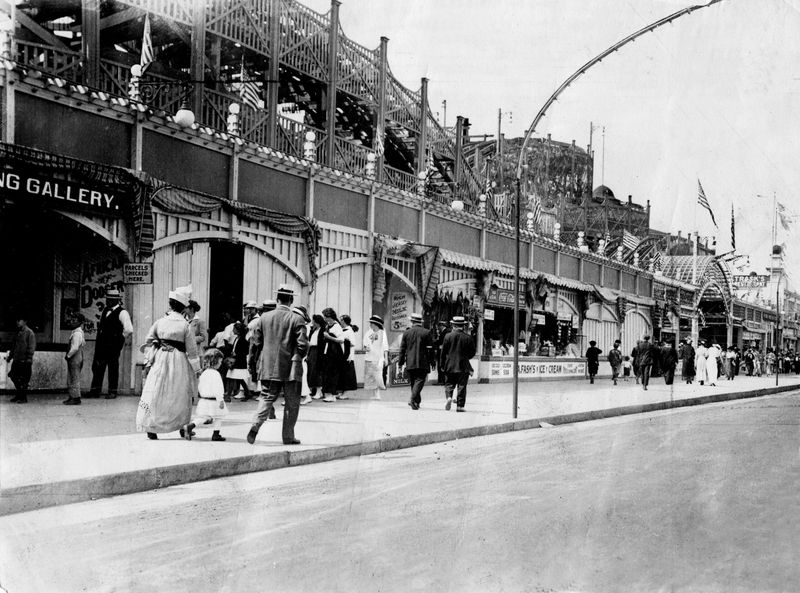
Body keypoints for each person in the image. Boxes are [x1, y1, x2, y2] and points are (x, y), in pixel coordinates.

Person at [247, 285, 308, 446]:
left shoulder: (264, 318)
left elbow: (256, 343)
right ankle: (288, 436)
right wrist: (297, 355)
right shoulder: (297, 319)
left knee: (266, 397)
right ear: (291, 300)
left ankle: (256, 424)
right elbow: (303, 345)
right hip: (291, 369)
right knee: (292, 403)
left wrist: (254, 364)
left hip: (268, 366)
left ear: (277, 299)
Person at [135, 289, 200, 440]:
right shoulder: (185, 325)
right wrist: (197, 369)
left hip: (161, 357)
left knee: (157, 390)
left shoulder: (160, 322)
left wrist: (150, 357)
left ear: (170, 305)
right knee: (178, 392)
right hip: (179, 361)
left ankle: (152, 426)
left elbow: (149, 341)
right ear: (183, 308)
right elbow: (192, 351)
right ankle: (181, 425)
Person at [88, 288, 133, 399]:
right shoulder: (105, 311)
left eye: (111, 299)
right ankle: (95, 391)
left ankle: (112, 391)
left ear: (117, 300)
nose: (108, 302)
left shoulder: (122, 312)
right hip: (102, 345)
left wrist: (119, 339)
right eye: (108, 299)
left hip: (113, 346)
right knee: (98, 367)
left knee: (113, 367)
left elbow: (129, 329)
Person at [183, 348, 228, 442]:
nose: (220, 364)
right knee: (218, 417)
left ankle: (190, 426)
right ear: (214, 361)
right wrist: (221, 399)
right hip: (214, 400)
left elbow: (200, 386)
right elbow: (218, 388)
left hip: (204, 400)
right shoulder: (216, 374)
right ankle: (216, 434)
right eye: (219, 362)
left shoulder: (204, 373)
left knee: (203, 418)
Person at [439, 316, 476, 412]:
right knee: (462, 386)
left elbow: (443, 352)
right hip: (463, 366)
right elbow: (472, 353)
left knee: (449, 384)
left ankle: (449, 397)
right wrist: (465, 358)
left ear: (453, 325)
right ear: (463, 326)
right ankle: (460, 406)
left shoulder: (448, 336)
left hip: (450, 365)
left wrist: (442, 365)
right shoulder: (468, 337)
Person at [399, 312, 432, 410]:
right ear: (420, 322)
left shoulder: (406, 333)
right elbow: (430, 349)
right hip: (423, 362)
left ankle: (416, 402)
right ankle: (413, 399)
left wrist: (400, 363)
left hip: (410, 362)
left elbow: (402, 349)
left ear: (412, 322)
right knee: (420, 381)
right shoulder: (427, 332)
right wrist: (432, 361)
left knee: (414, 382)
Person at [8, 314, 36, 404]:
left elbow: (31, 347)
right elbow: (14, 347)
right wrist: (10, 356)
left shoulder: (29, 333)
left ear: (25, 321)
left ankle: (23, 397)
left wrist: (28, 359)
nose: (17, 322)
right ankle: (19, 395)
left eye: (19, 320)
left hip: (24, 360)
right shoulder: (17, 332)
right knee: (13, 376)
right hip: (16, 359)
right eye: (17, 320)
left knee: (23, 379)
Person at [319, 308, 346, 403]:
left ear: (330, 317)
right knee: (327, 373)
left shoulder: (336, 326)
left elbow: (341, 339)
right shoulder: (328, 326)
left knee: (332, 373)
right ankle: (329, 394)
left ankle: (332, 394)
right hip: (328, 351)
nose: (324, 319)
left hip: (335, 352)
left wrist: (329, 337)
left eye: (325, 317)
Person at [363, 314, 389, 400]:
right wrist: (366, 348)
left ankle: (377, 394)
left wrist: (385, 358)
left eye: (371, 323)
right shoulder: (368, 333)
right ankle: (374, 393)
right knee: (370, 377)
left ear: (375, 324)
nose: (370, 325)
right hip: (369, 357)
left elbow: (385, 346)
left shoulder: (382, 333)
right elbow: (365, 344)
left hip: (378, 358)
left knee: (377, 376)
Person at [226, 322, 253, 402]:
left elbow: (245, 352)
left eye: (234, 329)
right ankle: (247, 393)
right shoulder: (237, 338)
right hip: (236, 360)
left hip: (239, 361)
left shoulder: (243, 340)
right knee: (238, 378)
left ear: (238, 330)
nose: (233, 330)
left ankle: (228, 396)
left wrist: (236, 354)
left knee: (232, 377)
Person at [63, 313, 86, 405]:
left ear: (80, 322)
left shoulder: (77, 333)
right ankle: (72, 396)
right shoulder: (76, 332)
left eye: (74, 320)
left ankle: (76, 397)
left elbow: (75, 347)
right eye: (71, 319)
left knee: (74, 378)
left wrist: (68, 355)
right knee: (71, 377)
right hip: (75, 357)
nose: (72, 322)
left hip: (75, 357)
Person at [337, 314, 359, 400]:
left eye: (341, 320)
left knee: (347, 375)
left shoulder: (349, 331)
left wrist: (344, 341)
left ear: (344, 321)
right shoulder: (342, 330)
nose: (340, 322)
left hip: (348, 355)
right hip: (342, 355)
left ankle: (345, 393)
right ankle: (342, 392)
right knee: (342, 374)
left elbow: (352, 343)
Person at [307, 314, 326, 401]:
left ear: (317, 322)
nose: (312, 323)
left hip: (318, 352)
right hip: (312, 351)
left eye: (313, 321)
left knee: (318, 371)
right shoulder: (313, 330)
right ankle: (314, 390)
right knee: (311, 371)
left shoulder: (322, 331)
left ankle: (319, 391)